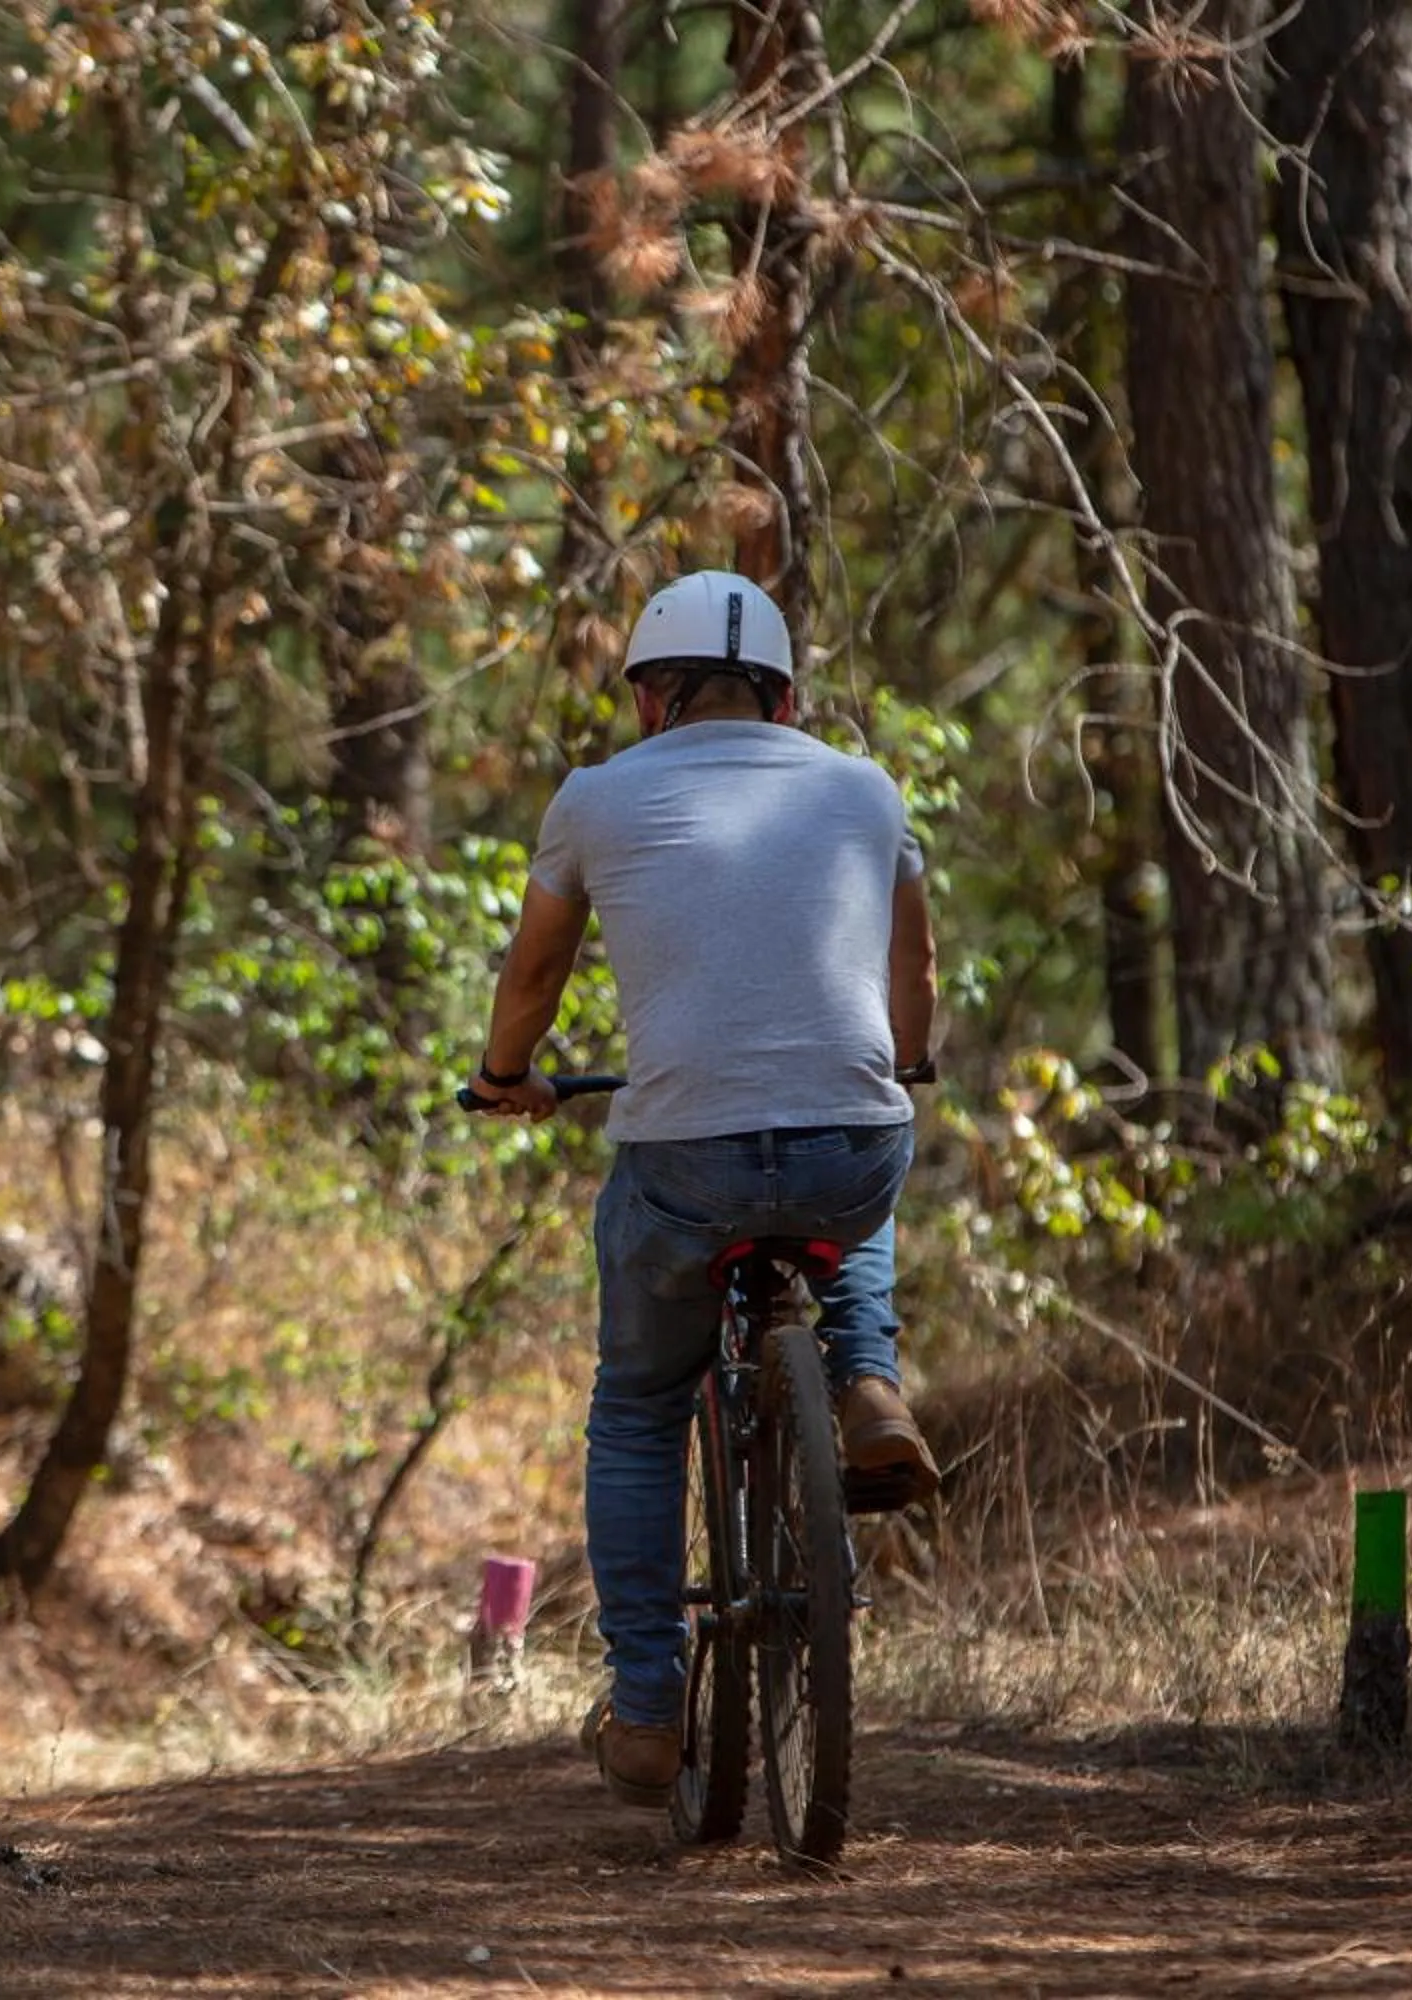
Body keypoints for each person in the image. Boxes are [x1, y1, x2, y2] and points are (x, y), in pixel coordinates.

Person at [463, 568, 939, 1809]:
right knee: (859, 1179)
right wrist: (907, 1057)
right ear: (784, 697)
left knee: (635, 1405)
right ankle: (866, 1373)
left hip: (685, 1163)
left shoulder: (597, 800)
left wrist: (509, 1073)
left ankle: (646, 1707)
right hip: (845, 1140)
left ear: (650, 698)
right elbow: (915, 961)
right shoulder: (865, 786)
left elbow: (535, 971)